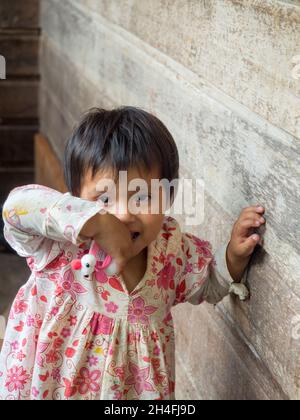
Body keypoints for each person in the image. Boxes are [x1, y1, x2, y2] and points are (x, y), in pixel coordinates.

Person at [0, 106, 265, 400]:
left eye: (143, 197)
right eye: (104, 199)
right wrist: (94, 221)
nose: (124, 214)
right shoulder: (62, 244)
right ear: (76, 198)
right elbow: (15, 208)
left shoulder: (170, 251)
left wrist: (234, 256)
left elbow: (209, 283)